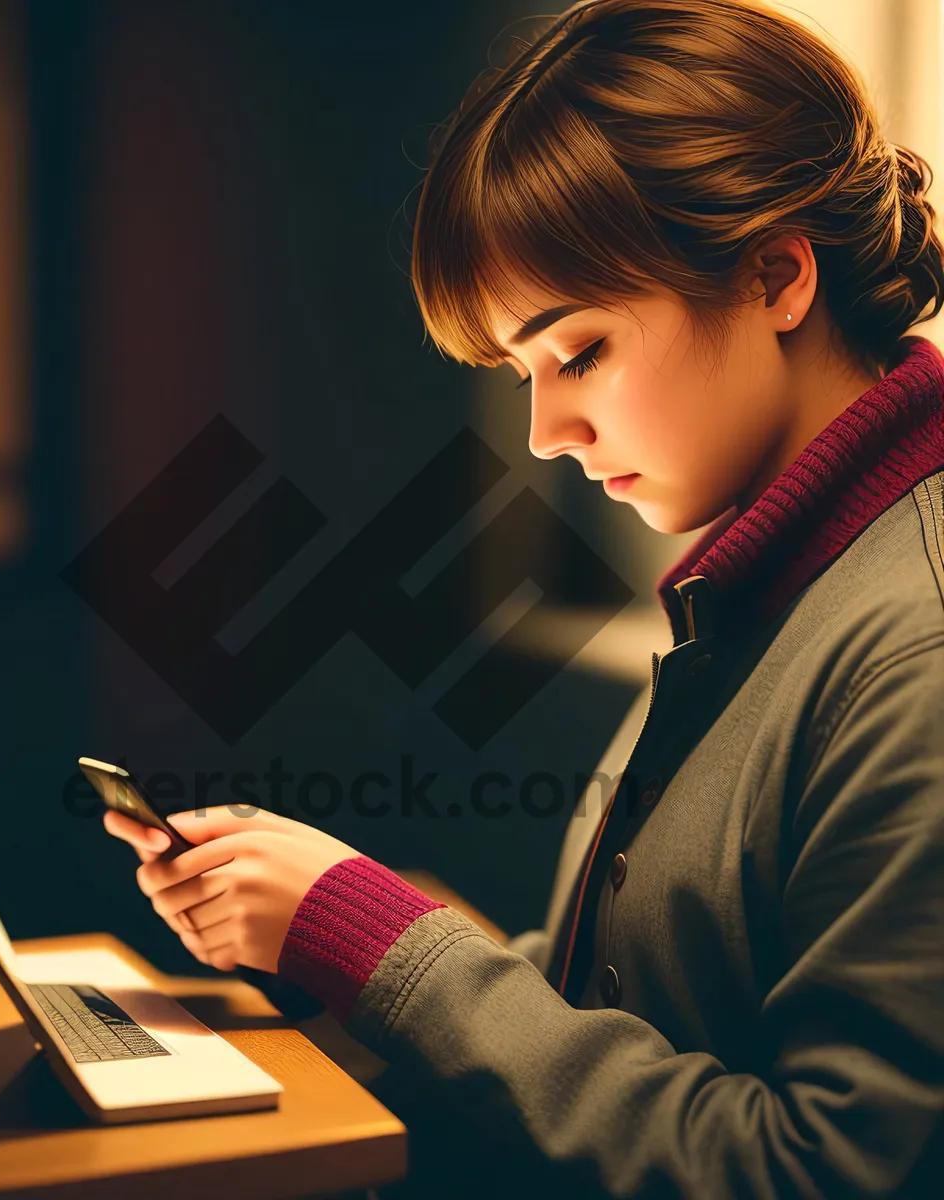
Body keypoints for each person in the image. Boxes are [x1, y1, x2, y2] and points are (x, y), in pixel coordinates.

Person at [103, 0, 944, 1194]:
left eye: (579, 352)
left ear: (776, 275)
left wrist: (386, 944)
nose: (546, 432)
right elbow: (631, 1003)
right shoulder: (763, 589)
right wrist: (331, 933)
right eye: (523, 373)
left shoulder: (914, 644)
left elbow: (823, 1170)